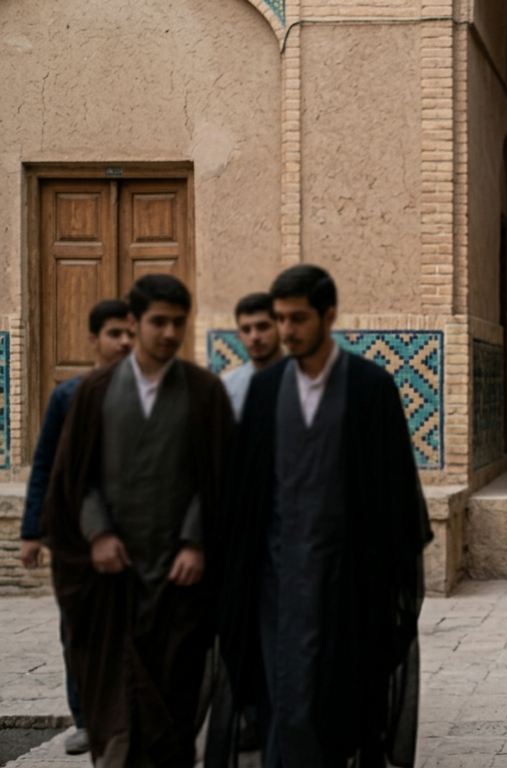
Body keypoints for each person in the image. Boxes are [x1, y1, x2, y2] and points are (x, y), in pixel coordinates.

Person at [214, 264, 432, 768]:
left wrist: (380, 581)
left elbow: (397, 498)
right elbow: (243, 495)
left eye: (297, 318)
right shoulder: (267, 391)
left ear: (328, 315)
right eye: (280, 319)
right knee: (284, 706)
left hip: (346, 588)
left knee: (338, 710)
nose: (286, 331)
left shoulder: (369, 389)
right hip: (274, 585)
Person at [41, 274, 235, 766]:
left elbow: (217, 478)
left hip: (179, 581)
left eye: (177, 323)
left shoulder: (204, 392)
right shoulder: (94, 392)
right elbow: (73, 477)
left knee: (173, 700)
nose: (169, 333)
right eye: (157, 322)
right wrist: (98, 533)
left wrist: (196, 542)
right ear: (133, 322)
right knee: (114, 703)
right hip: (110, 581)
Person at [20, 299, 132, 756]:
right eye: (114, 334)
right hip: (77, 539)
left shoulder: (148, 393)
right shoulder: (67, 396)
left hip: (133, 534)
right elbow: (46, 464)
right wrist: (31, 531)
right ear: (93, 339)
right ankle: (85, 717)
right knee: (79, 629)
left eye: (130, 333)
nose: (124, 342)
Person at [222, 292, 283, 420]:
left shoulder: (302, 380)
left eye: (263, 327)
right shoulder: (227, 387)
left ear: (280, 328)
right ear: (239, 335)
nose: (254, 337)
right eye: (246, 330)